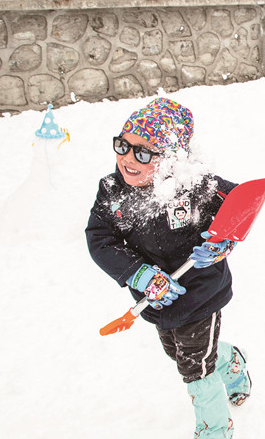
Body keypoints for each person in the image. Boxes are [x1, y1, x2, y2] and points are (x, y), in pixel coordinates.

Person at [86, 98, 252, 439]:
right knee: (180, 354)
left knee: (195, 370)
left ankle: (214, 430)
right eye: (123, 146)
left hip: (200, 293)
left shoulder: (195, 185)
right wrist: (139, 274)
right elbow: (100, 238)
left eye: (143, 153)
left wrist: (222, 244)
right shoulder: (112, 192)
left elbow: (241, 204)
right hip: (156, 299)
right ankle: (231, 361)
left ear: (171, 158)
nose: (128, 159)